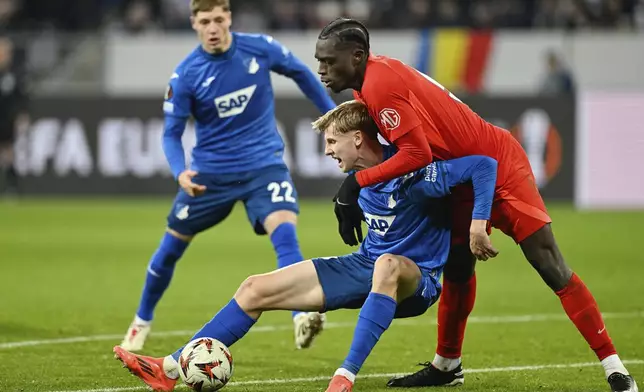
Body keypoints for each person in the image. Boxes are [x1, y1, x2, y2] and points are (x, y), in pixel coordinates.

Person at [313, 17, 637, 392]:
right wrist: (357, 189)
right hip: (459, 180)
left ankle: (615, 368)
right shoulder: (368, 87)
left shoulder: (380, 83)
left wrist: (356, 182)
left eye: (328, 61)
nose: (321, 69)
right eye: (319, 61)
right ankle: (447, 364)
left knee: (549, 264)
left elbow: (417, 154)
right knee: (457, 266)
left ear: (356, 57)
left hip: (498, 168)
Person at [112, 100, 499, 392]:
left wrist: (478, 224)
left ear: (358, 138)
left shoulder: (414, 172)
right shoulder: (360, 181)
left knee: (387, 267)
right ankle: (168, 370)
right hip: (367, 264)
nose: (328, 150)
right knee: (254, 288)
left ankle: (343, 378)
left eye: (332, 142)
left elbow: (483, 166)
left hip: (417, 280)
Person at [120, 0, 338, 352]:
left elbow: (300, 71)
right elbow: (170, 134)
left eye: (219, 19)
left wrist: (331, 115)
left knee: (284, 236)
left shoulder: (259, 48)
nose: (213, 27)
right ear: (194, 23)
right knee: (168, 251)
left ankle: (301, 316)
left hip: (263, 166)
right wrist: (180, 172)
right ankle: (141, 321)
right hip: (210, 177)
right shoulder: (186, 75)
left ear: (229, 19)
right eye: (205, 21)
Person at [0, 36, 28, 196]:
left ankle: (11, 187)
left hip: (7, 119)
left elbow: (22, 97)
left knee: (9, 152)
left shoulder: (15, 74)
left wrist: (22, 114)